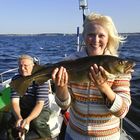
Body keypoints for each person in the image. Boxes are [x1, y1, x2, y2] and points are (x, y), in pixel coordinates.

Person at [52, 13, 133, 140]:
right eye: (91, 35)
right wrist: (61, 87)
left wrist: (103, 87)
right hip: (73, 135)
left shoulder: (119, 68)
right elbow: (64, 105)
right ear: (84, 36)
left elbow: (122, 112)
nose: (95, 40)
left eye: (101, 35)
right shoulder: (70, 62)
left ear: (108, 38)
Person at [10, 54, 52, 140]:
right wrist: (19, 118)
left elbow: (40, 103)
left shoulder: (41, 79)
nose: (22, 68)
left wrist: (28, 119)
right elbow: (15, 102)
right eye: (20, 66)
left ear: (33, 66)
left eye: (25, 66)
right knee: (10, 122)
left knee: (37, 122)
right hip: (24, 107)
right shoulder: (16, 79)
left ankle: (47, 137)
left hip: (42, 108)